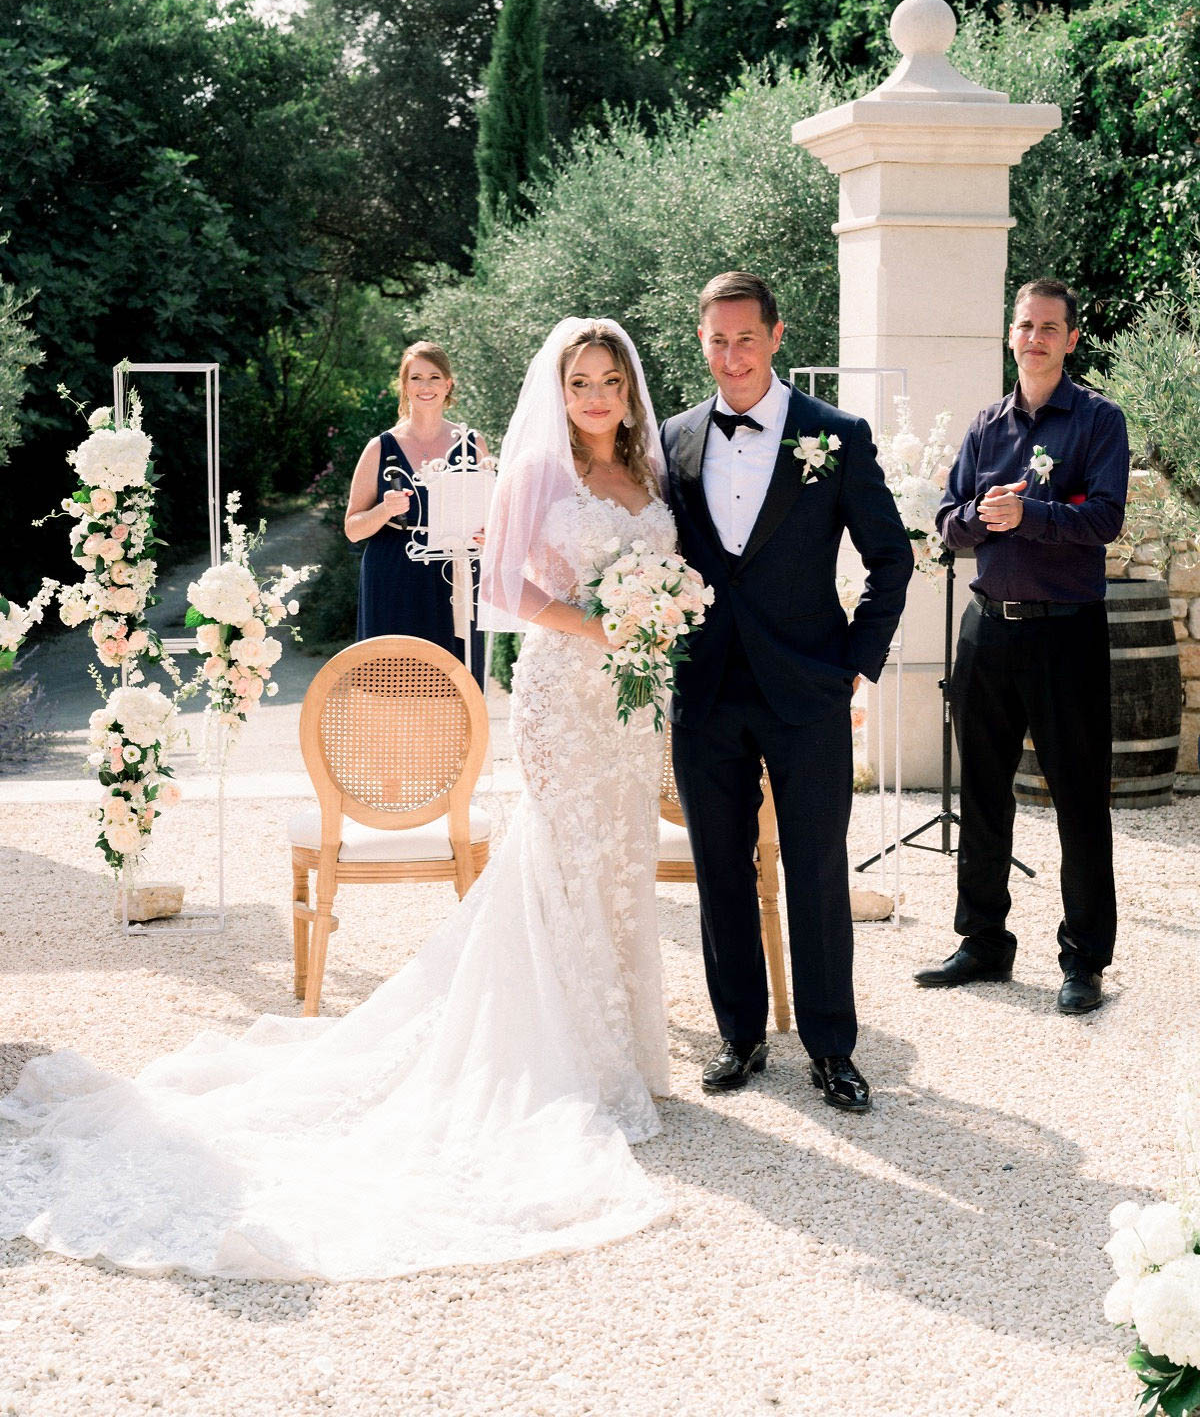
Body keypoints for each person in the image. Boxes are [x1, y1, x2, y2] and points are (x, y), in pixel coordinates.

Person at [0, 319, 677, 1280]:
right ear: (559, 391)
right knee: (562, 861)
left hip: (632, 703)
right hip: (569, 689)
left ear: (629, 390)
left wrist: (655, 623)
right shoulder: (535, 471)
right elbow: (502, 587)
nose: (597, 396)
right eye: (581, 382)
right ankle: (567, 1059)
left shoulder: (651, 476)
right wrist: (605, 626)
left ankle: (629, 1052)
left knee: (619, 861)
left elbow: (668, 572)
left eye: (611, 381)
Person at [661, 271, 913, 1111]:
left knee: (814, 868)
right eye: (716, 341)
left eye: (745, 338)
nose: (731, 357)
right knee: (720, 869)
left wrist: (852, 662)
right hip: (706, 690)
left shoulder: (834, 435)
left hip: (806, 691)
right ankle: (738, 1036)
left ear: (775, 337)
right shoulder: (672, 440)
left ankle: (832, 1050)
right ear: (703, 344)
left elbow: (891, 560)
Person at [914, 278, 1129, 1014]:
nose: (1033, 337)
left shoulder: (1099, 421)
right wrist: (982, 514)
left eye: (1048, 327)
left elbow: (1103, 518)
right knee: (980, 788)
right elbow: (947, 519)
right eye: (1024, 325)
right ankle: (983, 942)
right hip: (987, 629)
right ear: (1011, 336)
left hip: (1066, 629)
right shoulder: (985, 427)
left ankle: (1085, 961)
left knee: (1077, 798)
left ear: (1071, 339)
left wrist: (1028, 514)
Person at [345, 341, 485, 684]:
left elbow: (488, 518)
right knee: (390, 683)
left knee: (455, 686)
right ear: (405, 385)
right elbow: (353, 528)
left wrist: (486, 535)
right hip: (392, 575)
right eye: (417, 377)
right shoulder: (380, 447)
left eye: (434, 377)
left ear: (448, 384)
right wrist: (383, 510)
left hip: (454, 576)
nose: (426, 386)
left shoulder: (472, 444)